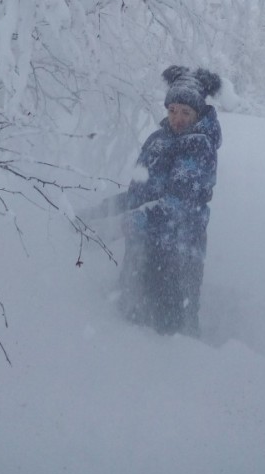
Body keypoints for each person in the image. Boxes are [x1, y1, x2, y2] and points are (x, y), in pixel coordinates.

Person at [93, 65, 222, 336]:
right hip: (144, 247)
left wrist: (131, 221)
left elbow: (180, 204)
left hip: (177, 252)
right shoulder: (160, 139)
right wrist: (101, 212)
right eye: (172, 110)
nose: (177, 118)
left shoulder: (198, 146)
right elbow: (141, 192)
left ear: (198, 114)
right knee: (129, 323)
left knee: (169, 335)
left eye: (186, 112)